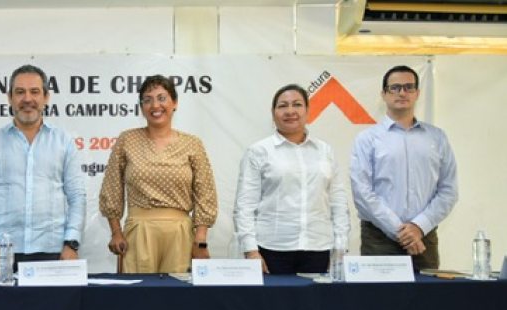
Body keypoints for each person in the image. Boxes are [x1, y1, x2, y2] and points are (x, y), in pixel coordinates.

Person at [0, 64, 86, 277]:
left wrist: (71, 244)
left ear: (46, 97)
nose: (27, 99)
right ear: (10, 98)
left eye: (34, 92)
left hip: (54, 254)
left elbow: (77, 197)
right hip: (3, 256)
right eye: (20, 92)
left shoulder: (64, 142)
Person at [98, 75, 217, 273]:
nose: (155, 105)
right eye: (147, 99)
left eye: (162, 98)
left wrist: (201, 240)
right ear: (141, 106)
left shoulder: (192, 144)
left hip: (180, 234)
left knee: (177, 299)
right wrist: (116, 232)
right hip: (138, 233)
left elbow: (206, 193)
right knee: (138, 299)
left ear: (175, 103)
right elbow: (112, 187)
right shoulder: (127, 140)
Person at [233, 84, 349, 274]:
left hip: (318, 247)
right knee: (273, 304)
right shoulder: (259, 151)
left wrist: (340, 245)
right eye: (282, 106)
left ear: (307, 111)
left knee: (315, 304)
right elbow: (245, 205)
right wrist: (251, 250)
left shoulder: (325, 151)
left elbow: (338, 201)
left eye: (297, 104)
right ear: (273, 113)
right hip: (272, 249)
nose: (290, 111)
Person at [350, 65, 458, 270]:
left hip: (423, 237)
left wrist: (418, 226)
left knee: (426, 300)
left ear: (417, 93)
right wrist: (401, 231)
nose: (402, 93)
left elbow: (448, 190)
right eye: (395, 87)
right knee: (379, 300)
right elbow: (362, 193)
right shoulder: (367, 139)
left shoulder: (437, 137)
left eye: (409, 87)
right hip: (379, 239)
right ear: (384, 94)